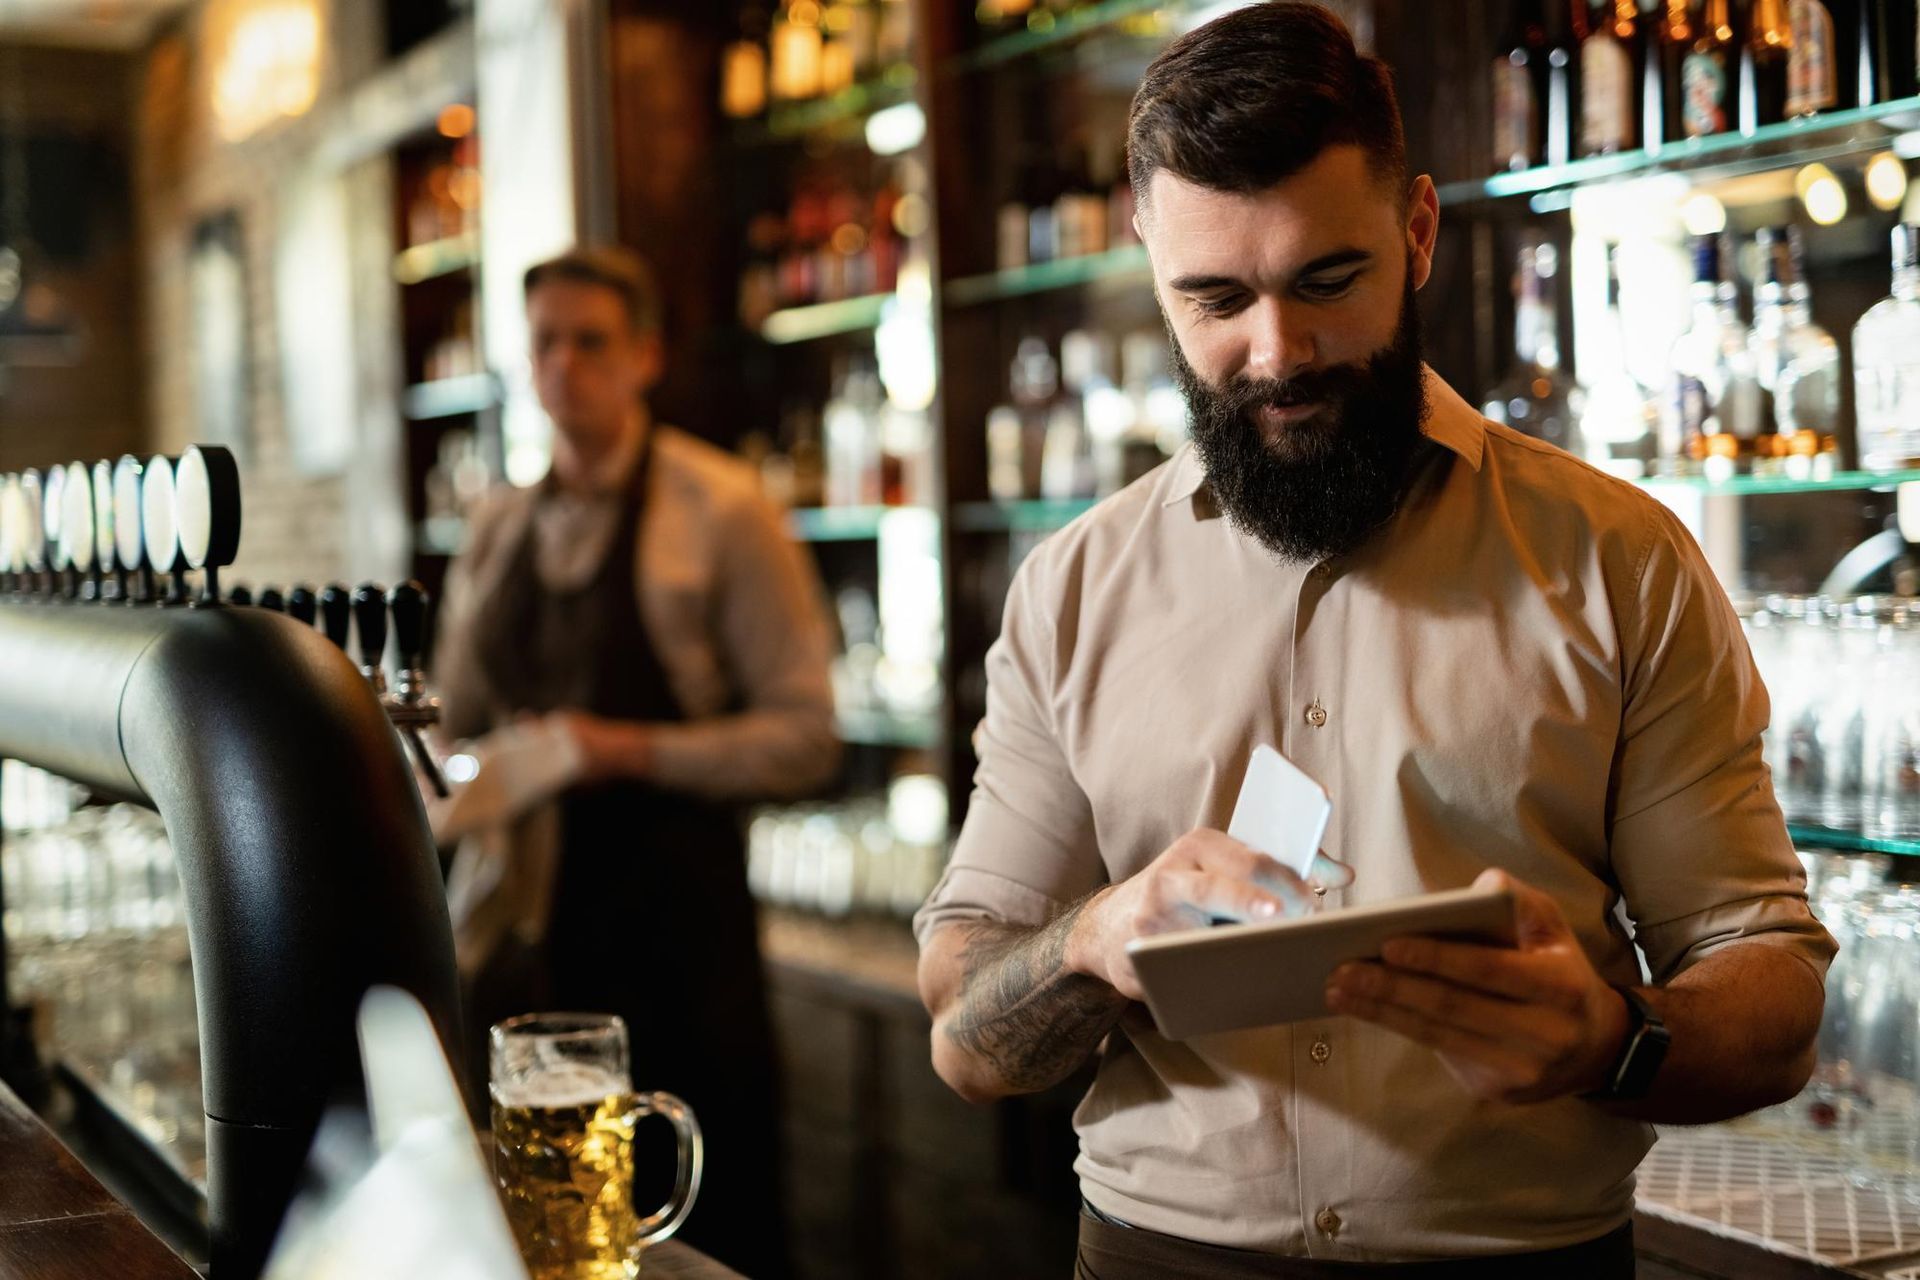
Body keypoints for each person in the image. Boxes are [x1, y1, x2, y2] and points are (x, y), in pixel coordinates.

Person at [913, 6, 1836, 1278]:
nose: (1276, 352)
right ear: (1151, 264)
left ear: (1415, 233)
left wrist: (1615, 1036)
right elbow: (964, 1034)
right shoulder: (1071, 588)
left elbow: (1772, 988)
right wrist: (1097, 937)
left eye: (1326, 281)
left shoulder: (1619, 560)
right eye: (1216, 298)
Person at [435, 245, 838, 1278]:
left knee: (704, 1229)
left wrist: (613, 748)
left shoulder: (724, 508)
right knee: (545, 1234)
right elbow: (448, 723)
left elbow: (805, 735)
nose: (565, 365)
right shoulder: (495, 528)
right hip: (530, 948)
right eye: (544, 344)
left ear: (646, 354)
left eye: (591, 341)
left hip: (679, 942)